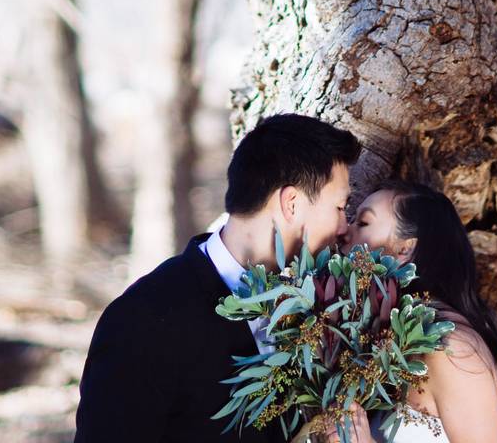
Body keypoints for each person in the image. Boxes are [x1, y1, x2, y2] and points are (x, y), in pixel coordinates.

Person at [75, 113, 361, 442]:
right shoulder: (145, 319)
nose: (344, 227)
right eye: (340, 207)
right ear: (291, 204)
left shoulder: (310, 310)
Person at [333, 180, 497, 443]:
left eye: (363, 223)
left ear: (406, 249)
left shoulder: (452, 350)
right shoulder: (386, 342)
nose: (344, 232)